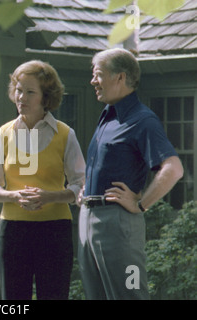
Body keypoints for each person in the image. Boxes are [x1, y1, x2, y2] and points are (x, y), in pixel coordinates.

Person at [78, 48, 184, 300]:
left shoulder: (142, 120)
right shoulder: (107, 117)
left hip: (118, 225)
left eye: (98, 75)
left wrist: (141, 204)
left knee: (131, 293)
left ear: (120, 77)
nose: (93, 81)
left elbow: (173, 168)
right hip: (88, 219)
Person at [0, 60, 85, 300]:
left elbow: (81, 185)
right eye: (19, 90)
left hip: (54, 232)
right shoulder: (2, 134)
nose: (21, 97)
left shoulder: (65, 135)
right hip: (13, 232)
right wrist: (14, 196)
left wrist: (51, 196)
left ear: (46, 97)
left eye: (30, 92)